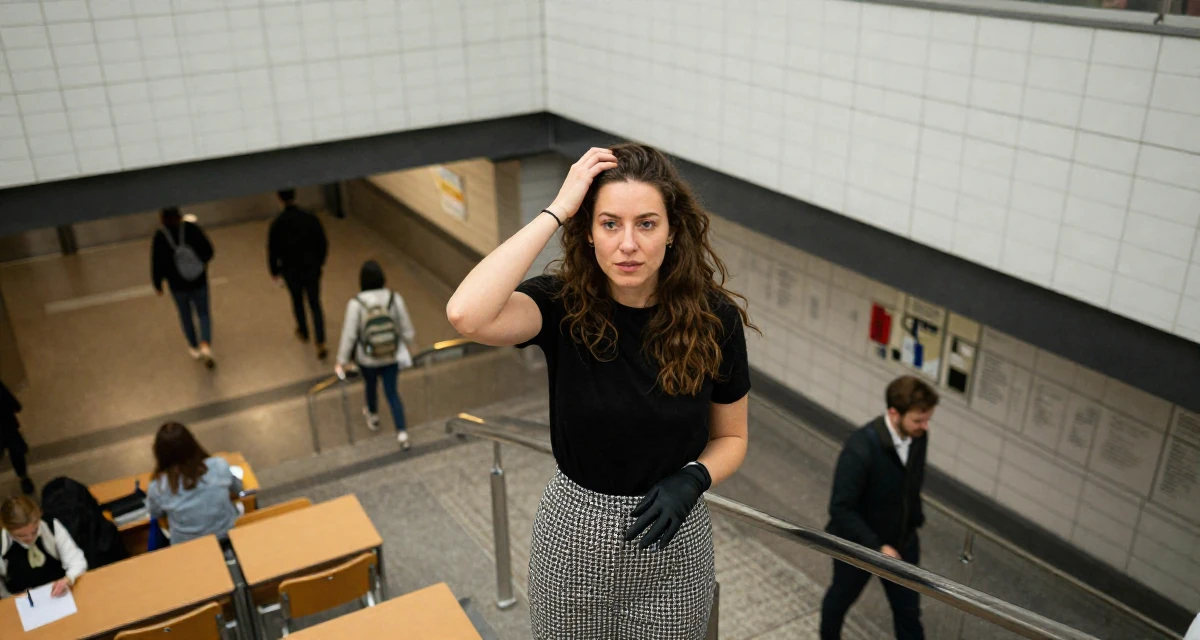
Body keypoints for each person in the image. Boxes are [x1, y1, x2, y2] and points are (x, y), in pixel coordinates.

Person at [446, 144, 753, 639]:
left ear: (673, 231)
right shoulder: (561, 305)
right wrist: (557, 209)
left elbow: (732, 438)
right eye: (610, 224)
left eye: (646, 224)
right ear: (587, 233)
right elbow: (466, 314)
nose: (628, 244)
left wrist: (694, 477)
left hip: (672, 544)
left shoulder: (714, 319)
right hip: (573, 538)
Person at [820, 375, 938, 640]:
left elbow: (910, 482)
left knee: (908, 613)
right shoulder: (860, 449)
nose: (925, 426)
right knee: (839, 600)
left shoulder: (918, 437)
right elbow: (840, 508)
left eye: (928, 419)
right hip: (858, 545)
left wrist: (914, 519)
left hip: (902, 541)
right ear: (894, 413)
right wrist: (878, 548)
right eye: (918, 420)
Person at [335, 261, 416, 449]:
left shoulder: (356, 304)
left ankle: (373, 416)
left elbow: (349, 335)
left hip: (368, 358)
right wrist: (411, 346)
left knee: (370, 387)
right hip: (391, 355)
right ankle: (402, 433)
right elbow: (406, 327)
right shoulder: (394, 298)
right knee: (392, 392)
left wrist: (342, 361)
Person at [146, 423, 242, 545]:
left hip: (187, 546)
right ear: (192, 443)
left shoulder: (157, 487)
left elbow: (155, 513)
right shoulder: (219, 465)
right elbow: (238, 488)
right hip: (226, 536)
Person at [268, 188, 330, 360]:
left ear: (278, 198)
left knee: (297, 301)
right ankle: (321, 341)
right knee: (315, 304)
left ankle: (303, 331)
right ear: (295, 196)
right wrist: (320, 262)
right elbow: (322, 242)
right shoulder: (310, 218)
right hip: (311, 269)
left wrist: (274, 272)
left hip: (291, 271)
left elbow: (272, 251)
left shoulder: (277, 224)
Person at [152, 207, 216, 368]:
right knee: (203, 313)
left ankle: (193, 347)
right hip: (198, 280)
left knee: (185, 315)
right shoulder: (191, 228)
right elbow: (209, 250)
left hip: (177, 285)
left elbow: (156, 262)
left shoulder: (160, 237)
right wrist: (202, 264)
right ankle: (205, 344)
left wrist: (158, 283)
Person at [0, 495, 87, 599]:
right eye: (21, 535)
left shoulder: (51, 526)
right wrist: (10, 598)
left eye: (35, 531)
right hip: (22, 599)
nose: (30, 538)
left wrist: (68, 579)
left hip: (60, 593)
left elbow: (76, 561)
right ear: (7, 529)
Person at [0, 381, 33, 495]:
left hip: (6, 426)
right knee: (16, 453)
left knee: (15, 451)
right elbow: (14, 405)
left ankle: (24, 479)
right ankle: (24, 479)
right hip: (7, 425)